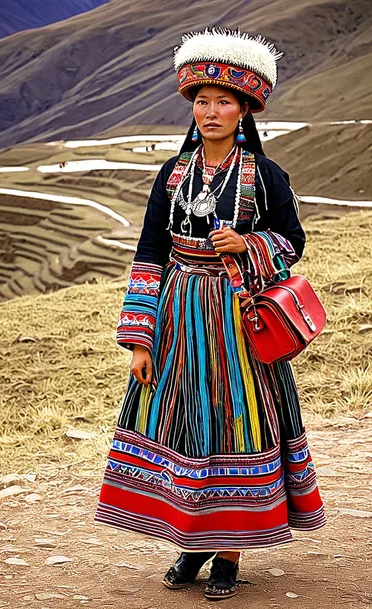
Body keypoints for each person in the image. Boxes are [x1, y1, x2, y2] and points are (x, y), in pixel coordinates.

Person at [95, 28, 325, 601]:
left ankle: (227, 552)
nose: (212, 111)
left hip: (237, 320)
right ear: (191, 106)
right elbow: (149, 251)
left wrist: (247, 246)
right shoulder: (171, 175)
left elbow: (292, 240)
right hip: (176, 318)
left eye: (224, 101)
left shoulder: (266, 176)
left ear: (245, 109)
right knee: (187, 430)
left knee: (234, 424)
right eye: (202, 100)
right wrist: (140, 338)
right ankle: (192, 539)